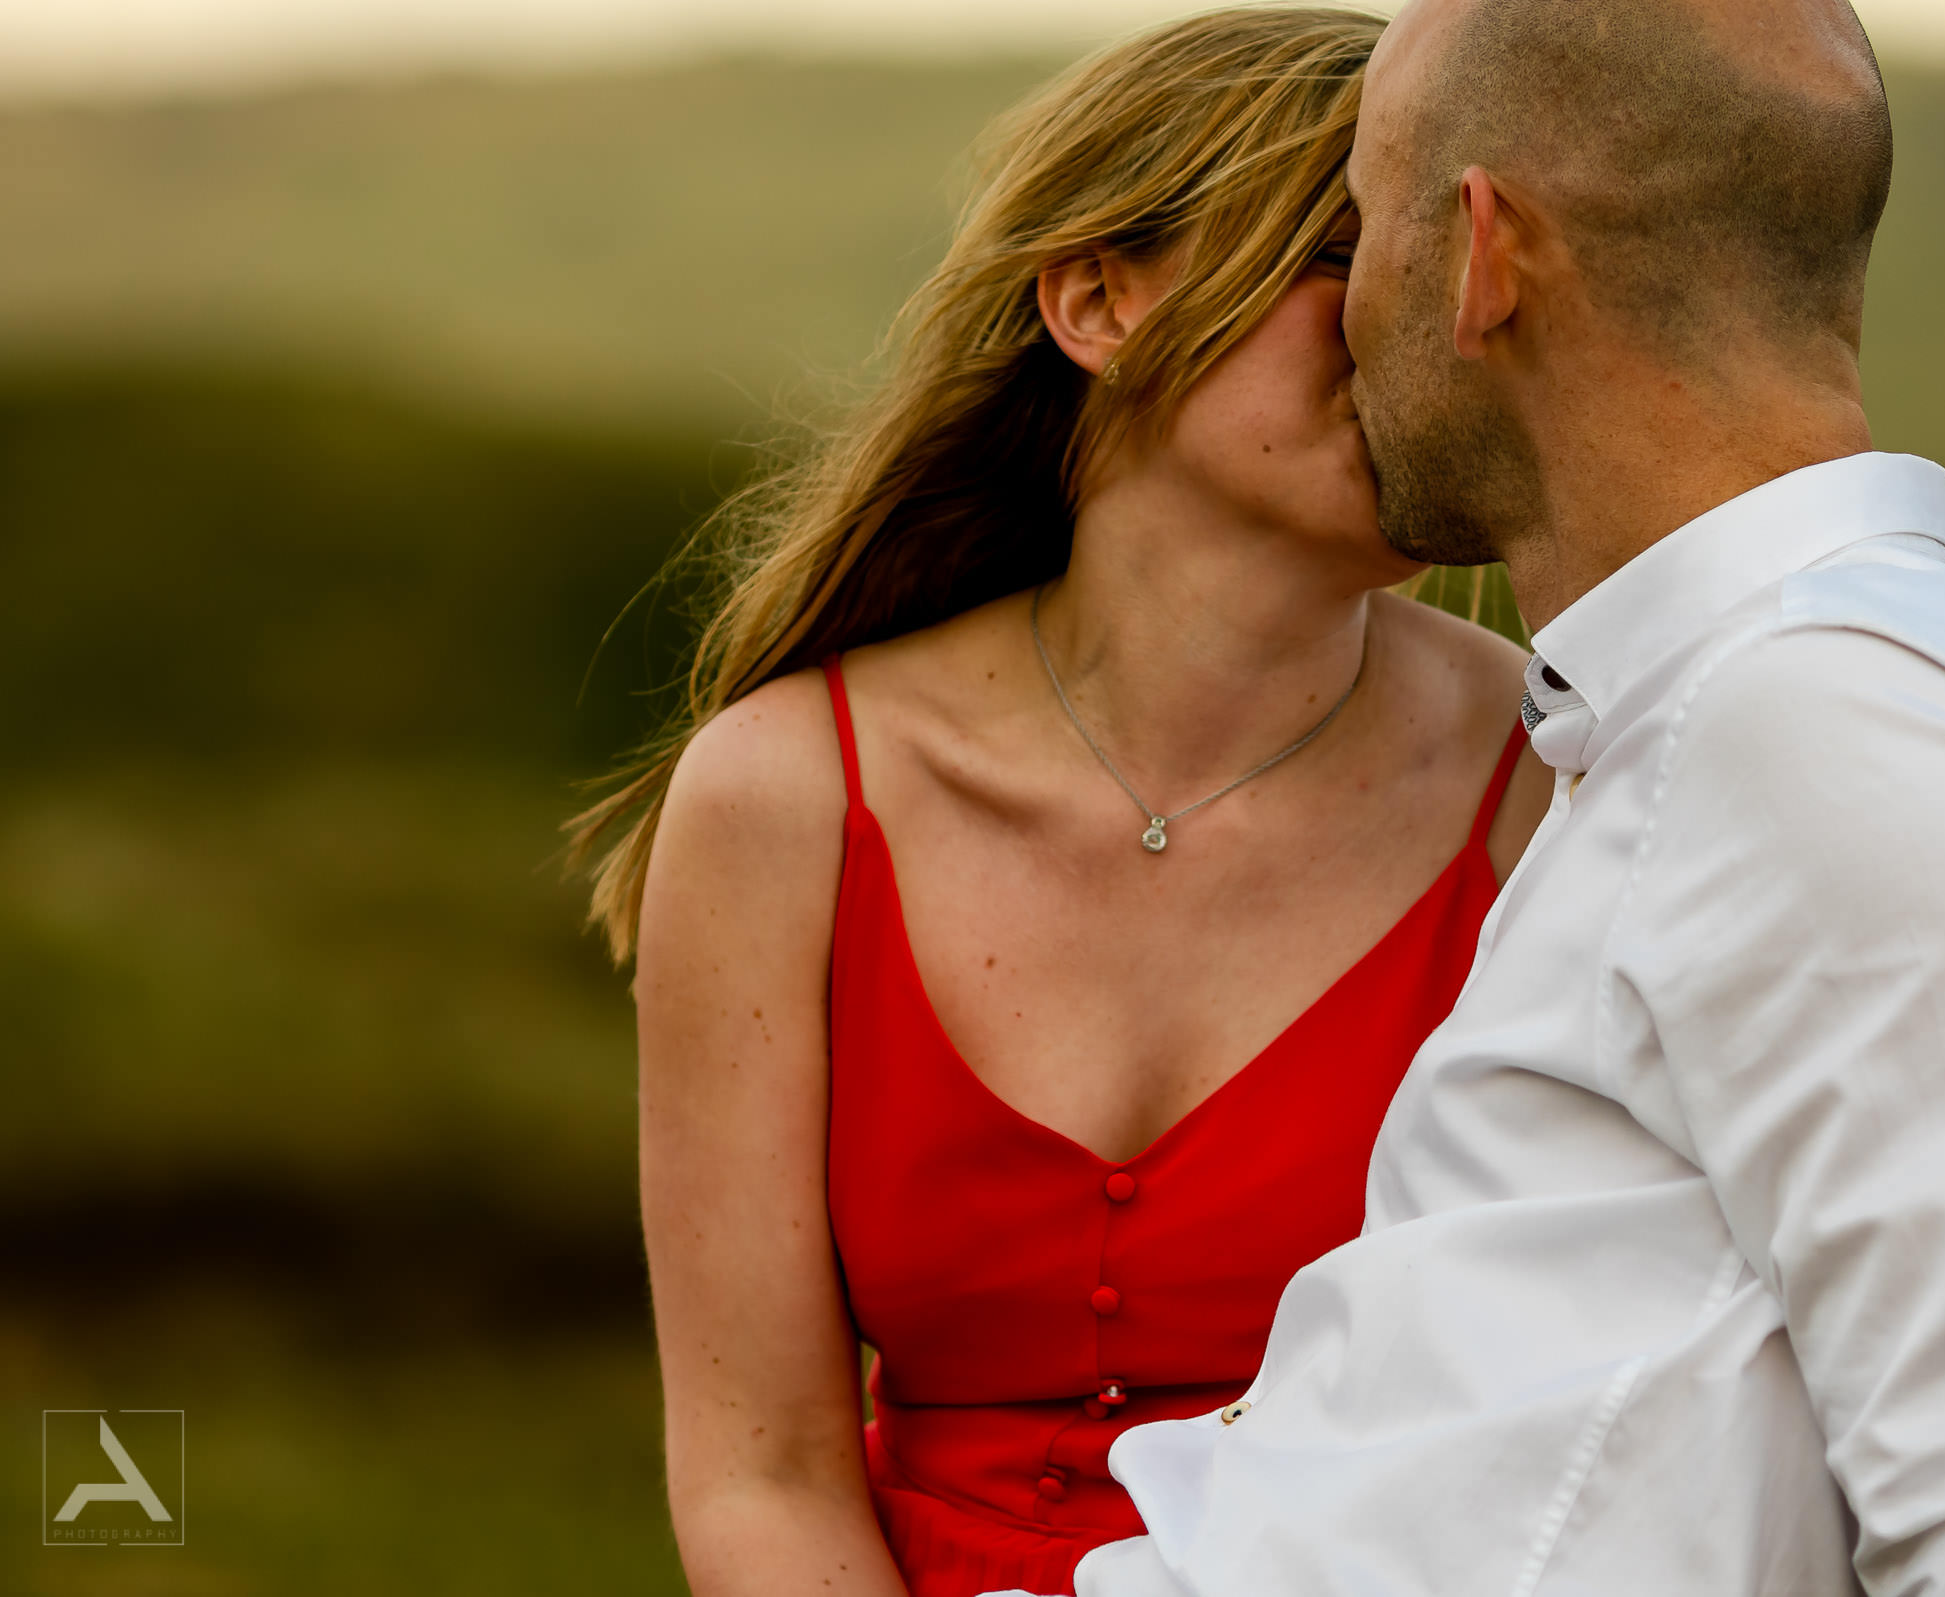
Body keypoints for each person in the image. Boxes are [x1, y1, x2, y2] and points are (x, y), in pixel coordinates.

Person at [1044, 1, 1945, 1594]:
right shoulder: (1773, 712)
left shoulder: (1836, 734)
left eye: (1366, 220)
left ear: (1483, 253)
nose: (1352, 314)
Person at [567, 10, 1549, 1596]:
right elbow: (761, 1475)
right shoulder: (787, 797)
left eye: (1467, 278)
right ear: (1097, 299)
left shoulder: (1554, 788)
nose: (1429, 333)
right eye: (1347, 257)